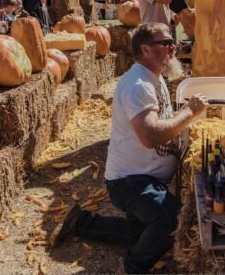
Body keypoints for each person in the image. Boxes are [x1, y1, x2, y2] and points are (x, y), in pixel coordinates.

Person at [51, 22, 208, 274]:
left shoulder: (154, 78)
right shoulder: (138, 85)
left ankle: (80, 222)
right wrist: (189, 112)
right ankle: (131, 267)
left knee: (136, 233)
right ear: (145, 49)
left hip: (144, 178)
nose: (173, 47)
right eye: (166, 43)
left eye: (172, 42)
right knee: (172, 219)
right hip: (130, 182)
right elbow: (150, 136)